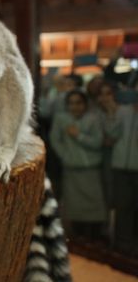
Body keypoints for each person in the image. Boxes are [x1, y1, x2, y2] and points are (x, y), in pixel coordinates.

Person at [50, 90, 107, 241]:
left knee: (95, 210)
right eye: (71, 103)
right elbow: (55, 140)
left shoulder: (94, 119)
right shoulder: (61, 119)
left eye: (79, 103)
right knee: (75, 211)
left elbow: (98, 142)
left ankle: (94, 243)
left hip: (91, 172)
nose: (75, 107)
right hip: (72, 171)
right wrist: (66, 156)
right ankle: (79, 245)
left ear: (85, 104)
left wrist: (79, 136)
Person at [98, 82, 138, 254]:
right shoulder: (123, 110)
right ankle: (122, 245)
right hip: (120, 166)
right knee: (122, 206)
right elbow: (111, 133)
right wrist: (111, 112)